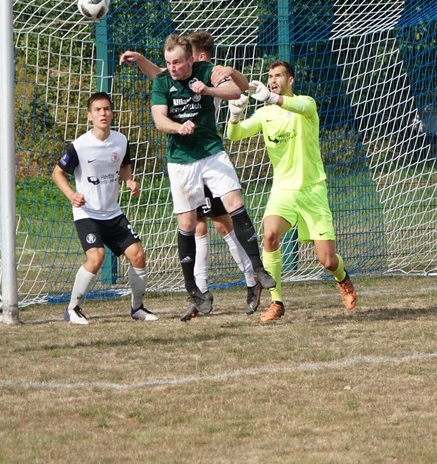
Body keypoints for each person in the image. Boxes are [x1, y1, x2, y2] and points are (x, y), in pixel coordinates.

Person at [119, 31, 262, 315]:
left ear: (198, 58)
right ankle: (200, 293)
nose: (174, 67)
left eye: (185, 60)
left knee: (222, 224)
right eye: (170, 62)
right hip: (186, 161)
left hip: (208, 154)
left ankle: (251, 279)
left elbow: (240, 87)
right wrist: (141, 59)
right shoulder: (175, 76)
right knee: (196, 225)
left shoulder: (209, 74)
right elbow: (162, 76)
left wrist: (227, 73)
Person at [225, 60, 357, 323]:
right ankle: (277, 302)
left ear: (290, 80)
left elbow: (301, 107)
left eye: (278, 76)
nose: (273, 80)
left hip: (312, 190)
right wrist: (235, 116)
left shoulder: (305, 103)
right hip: (283, 190)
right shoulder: (265, 114)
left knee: (327, 260)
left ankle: (343, 279)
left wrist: (272, 98)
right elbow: (234, 135)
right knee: (270, 236)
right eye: (270, 76)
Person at [52, 92, 157, 324]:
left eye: (107, 109)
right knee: (96, 257)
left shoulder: (121, 141)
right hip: (87, 213)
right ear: (89, 116)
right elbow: (57, 173)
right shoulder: (80, 146)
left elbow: (124, 166)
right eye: (98, 110)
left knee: (138, 255)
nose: (103, 113)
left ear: (112, 113)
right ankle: (72, 309)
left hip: (113, 212)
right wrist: (71, 195)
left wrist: (128, 181)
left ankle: (137, 308)